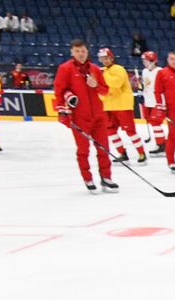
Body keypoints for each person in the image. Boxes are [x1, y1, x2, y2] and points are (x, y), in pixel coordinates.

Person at [53, 38, 117, 193]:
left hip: (98, 115)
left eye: (82, 51)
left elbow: (105, 90)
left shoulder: (95, 69)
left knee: (103, 148)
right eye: (77, 51)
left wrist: (96, 86)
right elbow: (59, 91)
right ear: (72, 52)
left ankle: (106, 177)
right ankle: (87, 178)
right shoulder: (65, 68)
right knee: (83, 150)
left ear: (87, 51)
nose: (80, 54)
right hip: (79, 117)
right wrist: (63, 112)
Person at [98, 47, 145, 164]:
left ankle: (141, 152)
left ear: (111, 58)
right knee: (110, 131)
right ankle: (122, 152)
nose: (104, 60)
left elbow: (115, 83)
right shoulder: (103, 71)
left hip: (122, 105)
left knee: (130, 131)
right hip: (108, 106)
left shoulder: (119, 69)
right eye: (102, 58)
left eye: (106, 58)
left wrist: (102, 74)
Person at [139, 50, 166, 155]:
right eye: (143, 61)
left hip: (158, 102)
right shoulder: (144, 71)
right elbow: (145, 85)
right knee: (152, 122)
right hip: (148, 101)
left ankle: (161, 144)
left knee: (155, 122)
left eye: (146, 61)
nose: (144, 63)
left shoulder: (161, 71)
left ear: (153, 61)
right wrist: (141, 93)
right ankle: (161, 143)